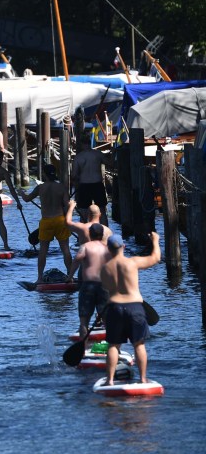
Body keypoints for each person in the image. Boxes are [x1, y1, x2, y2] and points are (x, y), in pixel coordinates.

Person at [101, 232, 161, 385]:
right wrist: (155, 240)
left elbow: (106, 288)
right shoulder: (132, 262)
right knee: (139, 344)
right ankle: (142, 379)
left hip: (114, 307)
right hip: (135, 307)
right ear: (124, 246)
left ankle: (110, 381)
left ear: (108, 249)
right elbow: (156, 258)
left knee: (113, 345)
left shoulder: (105, 269)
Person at [21, 164, 72, 282]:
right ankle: (70, 276)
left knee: (43, 251)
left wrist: (21, 193)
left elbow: (27, 199)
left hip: (46, 221)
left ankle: (39, 278)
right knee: (65, 249)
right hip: (60, 220)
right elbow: (67, 205)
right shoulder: (61, 187)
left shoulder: (40, 188)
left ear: (44, 174)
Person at [68, 222, 112, 340]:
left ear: (90, 234)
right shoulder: (107, 249)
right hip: (104, 286)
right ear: (102, 235)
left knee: (84, 322)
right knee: (107, 320)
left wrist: (70, 276)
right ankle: (111, 348)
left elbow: (77, 260)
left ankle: (84, 349)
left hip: (88, 286)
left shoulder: (86, 247)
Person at [71, 140, 108, 224]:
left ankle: (83, 234)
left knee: (83, 212)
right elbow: (110, 163)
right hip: (97, 184)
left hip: (84, 185)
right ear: (90, 144)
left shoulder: (78, 157)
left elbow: (74, 175)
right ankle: (105, 232)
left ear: (82, 145)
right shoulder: (98, 154)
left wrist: (77, 181)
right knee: (102, 210)